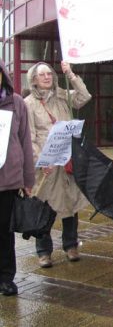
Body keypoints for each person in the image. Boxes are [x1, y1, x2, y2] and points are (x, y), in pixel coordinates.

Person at [25, 61, 91, 268]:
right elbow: (30, 136)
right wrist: (40, 160)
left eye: (49, 74)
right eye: (42, 75)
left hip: (67, 162)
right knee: (44, 207)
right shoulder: (28, 104)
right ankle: (44, 251)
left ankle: (71, 245)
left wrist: (70, 74)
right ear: (34, 80)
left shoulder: (62, 95)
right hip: (46, 165)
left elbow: (84, 97)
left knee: (70, 204)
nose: (47, 77)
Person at [0, 60, 35, 296]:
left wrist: (27, 179)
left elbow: (25, 141)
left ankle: (5, 277)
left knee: (4, 231)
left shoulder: (16, 103)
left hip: (7, 179)